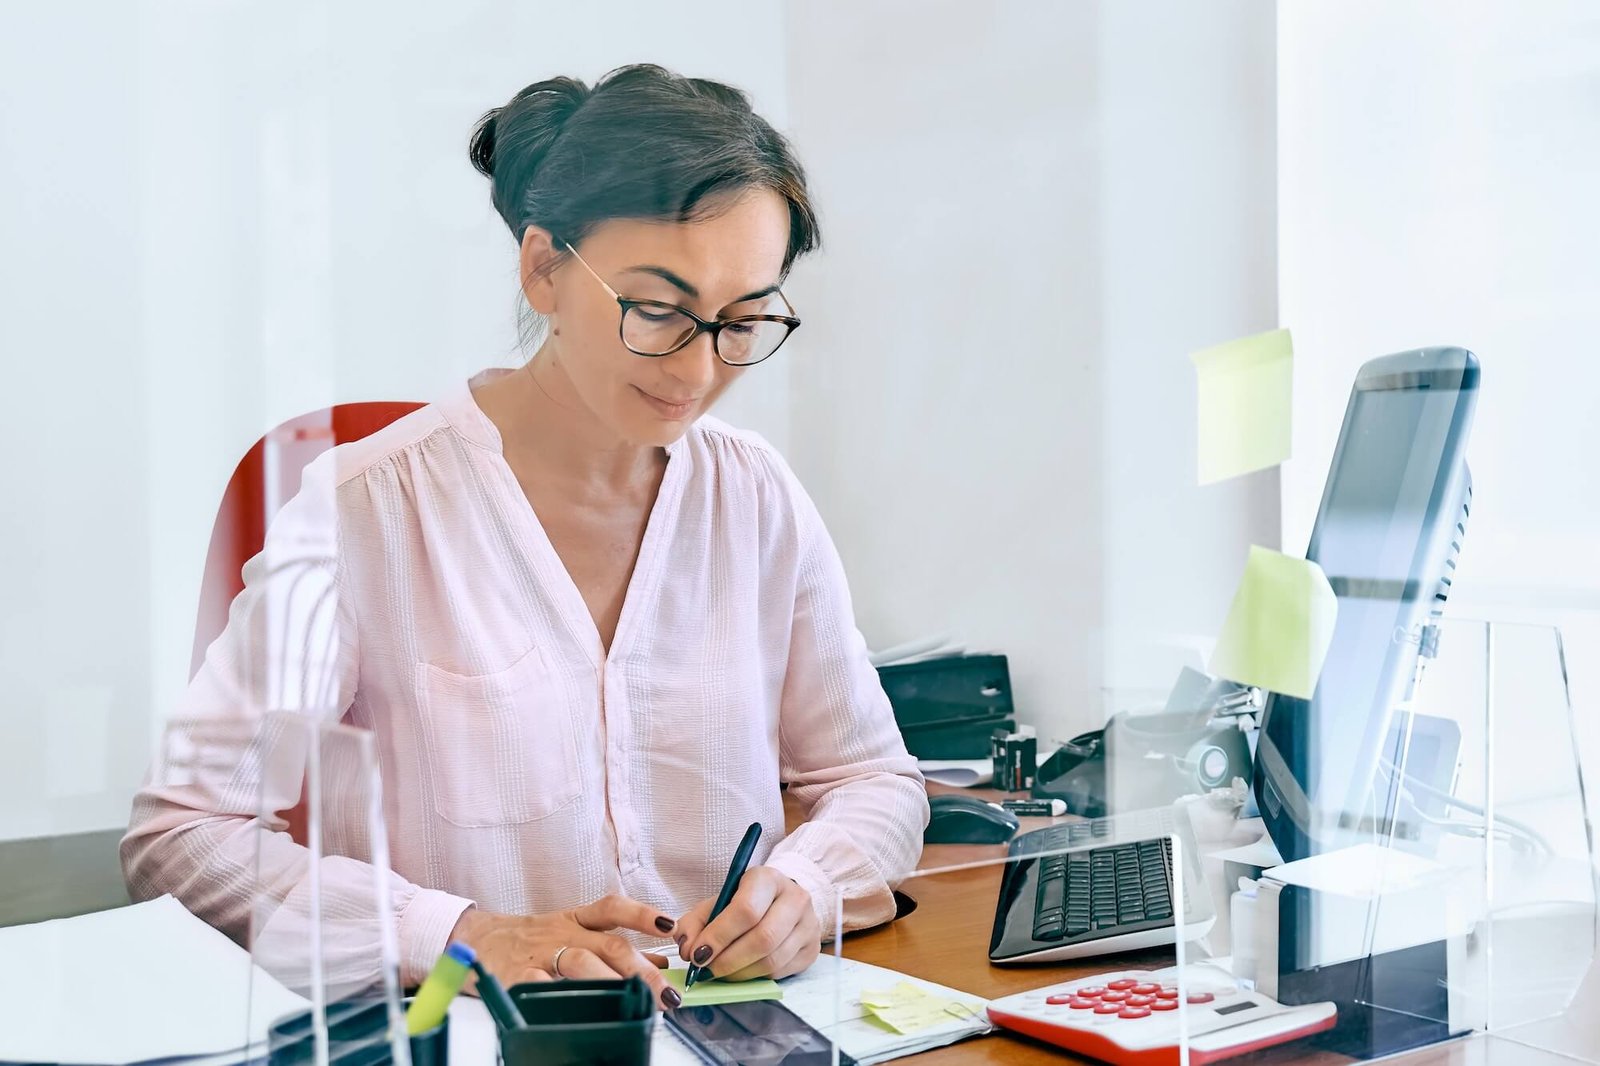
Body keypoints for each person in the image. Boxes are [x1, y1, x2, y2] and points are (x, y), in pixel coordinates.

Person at [121, 64, 929, 1012]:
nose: (702, 369)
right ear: (544, 267)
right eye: (659, 311)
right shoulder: (365, 509)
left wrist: (809, 888)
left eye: (744, 320)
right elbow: (180, 835)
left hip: (726, 1025)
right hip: (473, 1028)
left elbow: (874, 778)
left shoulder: (754, 498)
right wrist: (460, 935)